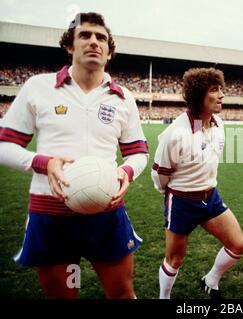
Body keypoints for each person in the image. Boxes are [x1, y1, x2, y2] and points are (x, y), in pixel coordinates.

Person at [0, 12, 148, 298]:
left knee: (121, 294)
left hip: (106, 215)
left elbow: (138, 152)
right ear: (70, 45)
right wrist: (43, 163)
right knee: (64, 296)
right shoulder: (38, 88)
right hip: (51, 216)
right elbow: (4, 145)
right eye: (85, 35)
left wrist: (126, 171)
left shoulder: (123, 97)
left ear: (109, 51)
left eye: (101, 37)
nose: (94, 41)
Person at [151, 67, 243, 299]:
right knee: (174, 259)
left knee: (239, 245)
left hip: (211, 198)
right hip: (182, 201)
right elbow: (159, 175)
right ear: (198, 96)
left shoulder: (219, 124)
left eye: (221, 89)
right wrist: (175, 193)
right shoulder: (176, 133)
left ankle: (210, 280)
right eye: (215, 90)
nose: (222, 95)